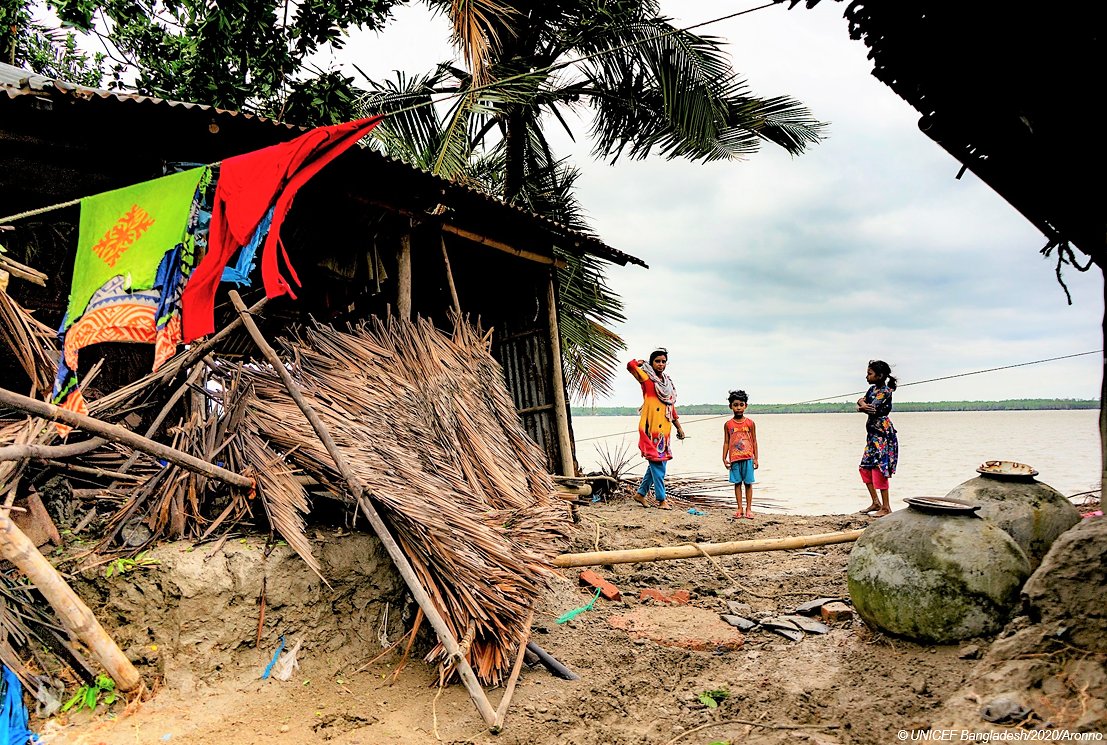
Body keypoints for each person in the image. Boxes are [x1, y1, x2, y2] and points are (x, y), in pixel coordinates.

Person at [627, 348, 685, 510]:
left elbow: (671, 408)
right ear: (651, 363)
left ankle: (641, 493)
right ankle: (661, 500)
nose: (661, 364)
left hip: (664, 431)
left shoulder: (667, 384)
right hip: (650, 428)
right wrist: (639, 362)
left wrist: (679, 428)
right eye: (657, 361)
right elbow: (630, 366)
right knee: (658, 465)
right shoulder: (646, 379)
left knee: (658, 463)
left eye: (663, 361)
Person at [857, 359, 899, 517]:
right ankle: (876, 502)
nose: (866, 377)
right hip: (872, 436)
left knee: (879, 469)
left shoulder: (885, 391)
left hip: (882, 436)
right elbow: (862, 402)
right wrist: (861, 403)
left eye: (869, 374)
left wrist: (862, 406)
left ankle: (886, 507)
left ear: (880, 375)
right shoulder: (872, 389)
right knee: (864, 467)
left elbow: (871, 407)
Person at [722, 390, 759, 519]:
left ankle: (749, 509)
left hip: (748, 457)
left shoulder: (750, 423)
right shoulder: (728, 424)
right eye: (735, 405)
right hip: (734, 459)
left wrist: (756, 458)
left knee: (748, 483)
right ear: (730, 406)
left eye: (741, 405)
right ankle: (739, 508)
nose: (738, 408)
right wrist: (724, 457)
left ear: (746, 406)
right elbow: (726, 441)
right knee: (737, 483)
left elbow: (754, 440)